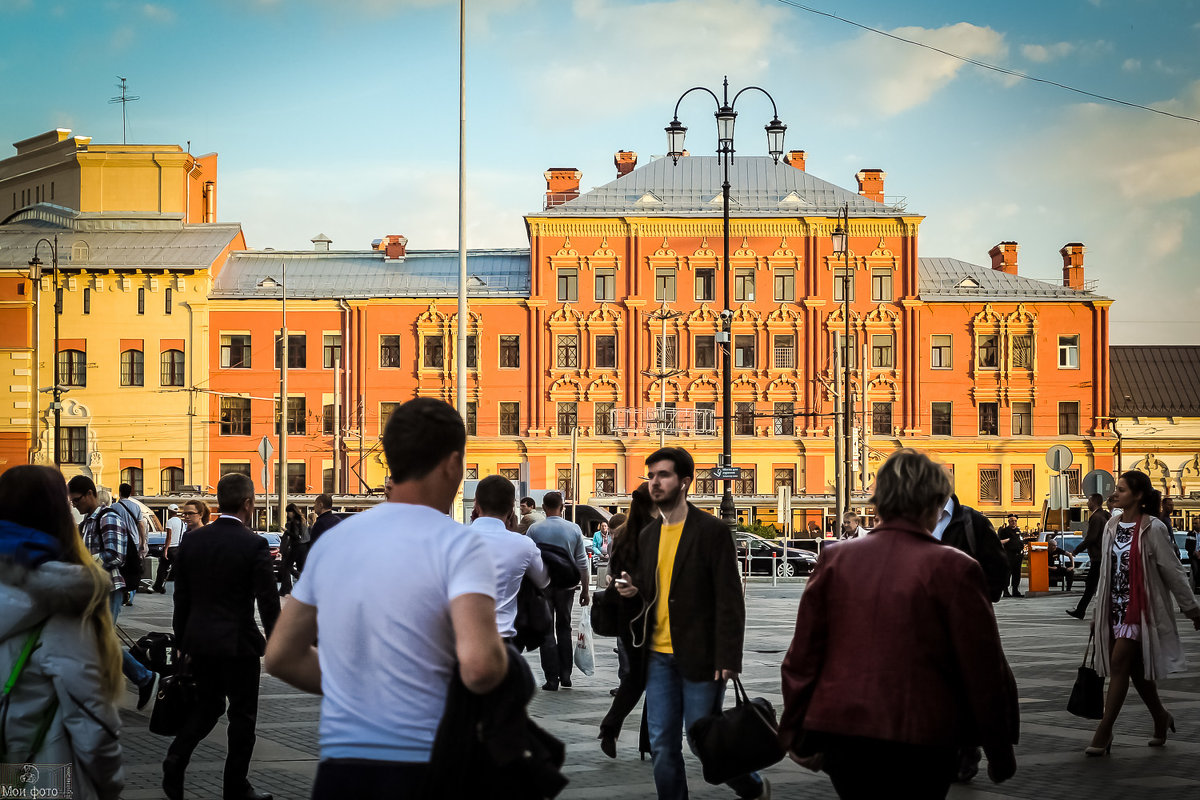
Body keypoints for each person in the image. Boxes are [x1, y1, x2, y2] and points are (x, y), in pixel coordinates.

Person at [264, 397, 508, 798]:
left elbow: (281, 656)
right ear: (452, 463)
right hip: (431, 761)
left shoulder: (336, 541)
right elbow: (480, 667)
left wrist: (359, 686)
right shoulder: (461, 545)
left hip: (342, 765)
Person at [779, 449, 1018, 799]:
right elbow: (982, 668)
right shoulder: (955, 568)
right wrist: (998, 748)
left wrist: (794, 731)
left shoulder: (835, 559)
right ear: (936, 503)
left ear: (881, 500)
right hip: (925, 735)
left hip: (844, 733)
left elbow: (802, 658)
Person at [613, 447, 768, 800]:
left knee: (704, 742)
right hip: (657, 657)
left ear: (684, 482)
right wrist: (633, 589)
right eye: (651, 475)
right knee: (662, 747)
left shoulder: (710, 531)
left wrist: (729, 657)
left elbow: (729, 597)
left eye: (663, 475)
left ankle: (752, 786)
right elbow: (655, 590)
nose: (655, 482)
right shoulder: (649, 535)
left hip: (700, 657)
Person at [0, 465, 125, 800]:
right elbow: (91, 722)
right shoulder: (64, 599)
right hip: (42, 776)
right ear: (59, 513)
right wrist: (109, 786)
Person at [163, 472, 280, 800]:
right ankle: (235, 787)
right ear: (248, 503)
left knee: (207, 706)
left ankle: (176, 757)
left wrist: (182, 642)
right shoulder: (253, 543)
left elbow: (180, 598)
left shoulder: (194, 541)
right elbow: (268, 601)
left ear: (217, 503)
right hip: (238, 645)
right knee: (242, 717)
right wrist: (278, 642)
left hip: (199, 642)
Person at [1085, 470, 1200, 757]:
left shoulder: (1153, 528)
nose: (1116, 493)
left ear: (1137, 496)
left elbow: (1173, 571)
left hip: (1139, 609)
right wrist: (1097, 610)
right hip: (1114, 608)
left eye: (1122, 490)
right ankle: (1161, 717)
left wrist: (1192, 608)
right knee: (1135, 671)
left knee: (1119, 663)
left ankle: (1104, 730)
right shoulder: (1111, 525)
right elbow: (1105, 574)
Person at [66, 475, 157, 709]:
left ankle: (144, 678)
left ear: (89, 494)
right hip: (94, 589)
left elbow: (116, 555)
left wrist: (88, 562)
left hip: (108, 588)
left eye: (76, 499)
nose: (74, 504)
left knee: (99, 639)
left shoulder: (108, 518)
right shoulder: (87, 523)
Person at [598, 482, 656, 758]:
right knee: (655, 678)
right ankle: (649, 740)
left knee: (636, 678)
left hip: (625, 617)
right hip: (650, 617)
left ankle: (611, 727)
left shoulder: (621, 535)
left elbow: (614, 572)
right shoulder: (656, 535)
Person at [471, 474, 550, 643]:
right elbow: (543, 581)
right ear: (511, 509)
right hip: (502, 641)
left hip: (459, 641)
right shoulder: (524, 545)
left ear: (476, 504)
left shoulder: (451, 539)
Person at [527, 490, 590, 691]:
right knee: (565, 627)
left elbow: (528, 559)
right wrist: (585, 590)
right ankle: (566, 675)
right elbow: (582, 562)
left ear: (543, 507)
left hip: (542, 586)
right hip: (567, 587)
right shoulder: (574, 529)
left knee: (546, 631)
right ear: (562, 507)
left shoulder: (534, 530)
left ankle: (551, 679)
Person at [1068, 494, 1110, 618]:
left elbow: (1091, 537)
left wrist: (1076, 550)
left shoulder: (1096, 517)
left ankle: (1081, 610)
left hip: (1098, 556)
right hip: (1103, 555)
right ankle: (1081, 610)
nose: (1087, 503)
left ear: (1094, 502)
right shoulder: (1105, 515)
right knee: (1093, 585)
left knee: (1091, 584)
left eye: (1089, 501)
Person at [114, 482, 148, 605]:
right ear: (130, 493)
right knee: (133, 569)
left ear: (120, 492)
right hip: (134, 542)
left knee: (121, 569)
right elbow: (141, 525)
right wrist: (143, 542)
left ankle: (122, 592)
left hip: (120, 542)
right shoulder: (136, 507)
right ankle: (131, 596)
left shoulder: (114, 507)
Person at [278, 502, 310, 597]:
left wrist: (286, 532)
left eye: (289, 512)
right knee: (300, 567)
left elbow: (296, 536)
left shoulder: (294, 522)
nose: (288, 514)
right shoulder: (302, 521)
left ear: (293, 512)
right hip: (303, 547)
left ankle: (289, 588)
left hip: (297, 547)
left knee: (287, 566)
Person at [153, 504, 186, 594]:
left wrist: (166, 549)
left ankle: (158, 586)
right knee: (178, 569)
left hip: (171, 548)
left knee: (162, 568)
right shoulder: (182, 522)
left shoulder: (170, 521)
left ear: (170, 512)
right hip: (178, 548)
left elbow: (169, 537)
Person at [996, 513, 1025, 597]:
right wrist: (1007, 540)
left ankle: (1015, 591)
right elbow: (999, 542)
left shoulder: (1018, 530)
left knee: (1017, 574)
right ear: (1008, 521)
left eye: (1015, 521)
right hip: (1009, 555)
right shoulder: (1004, 531)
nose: (1014, 522)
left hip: (1018, 555)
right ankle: (1005, 591)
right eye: (1012, 521)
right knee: (1007, 574)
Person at [1187, 517, 1200, 594]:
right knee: (1196, 570)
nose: (1194, 525)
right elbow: (1187, 546)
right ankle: (1197, 586)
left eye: (1196, 523)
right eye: (1193, 523)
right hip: (1193, 556)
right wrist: (1194, 552)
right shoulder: (1190, 534)